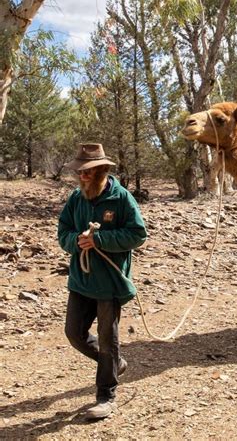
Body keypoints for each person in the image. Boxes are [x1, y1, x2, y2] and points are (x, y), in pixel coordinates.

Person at [58, 143, 147, 420]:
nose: (82, 177)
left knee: (109, 339)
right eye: (79, 172)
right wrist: (76, 241)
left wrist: (100, 240)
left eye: (87, 172)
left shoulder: (121, 198)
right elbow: (63, 232)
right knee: (74, 333)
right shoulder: (76, 198)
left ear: (101, 170)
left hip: (109, 283)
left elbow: (137, 235)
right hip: (81, 280)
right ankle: (114, 364)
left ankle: (106, 397)